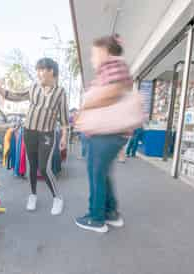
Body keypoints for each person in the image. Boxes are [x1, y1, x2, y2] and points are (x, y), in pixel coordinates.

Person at [0, 58, 69, 215]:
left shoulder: (60, 92)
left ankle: (57, 198)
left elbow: (65, 120)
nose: (38, 74)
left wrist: (64, 137)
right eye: (38, 70)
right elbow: (13, 95)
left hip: (46, 134)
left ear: (51, 71)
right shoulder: (33, 88)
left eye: (41, 70)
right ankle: (32, 195)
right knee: (31, 167)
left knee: (44, 168)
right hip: (29, 132)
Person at [75, 34, 132, 233]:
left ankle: (96, 218)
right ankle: (111, 213)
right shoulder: (116, 68)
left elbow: (112, 93)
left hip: (105, 134)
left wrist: (86, 106)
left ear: (105, 52)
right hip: (108, 134)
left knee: (96, 175)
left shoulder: (113, 66)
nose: (92, 58)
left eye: (94, 53)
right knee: (103, 174)